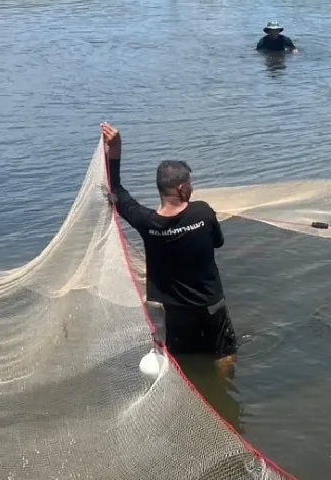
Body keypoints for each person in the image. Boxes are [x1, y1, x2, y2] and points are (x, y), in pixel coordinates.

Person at [100, 123, 237, 374]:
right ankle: (224, 394)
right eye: (189, 182)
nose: (191, 186)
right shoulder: (203, 212)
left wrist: (115, 150)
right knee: (224, 354)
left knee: (184, 360)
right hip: (211, 305)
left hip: (175, 313)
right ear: (182, 188)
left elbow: (115, 190)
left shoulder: (146, 223)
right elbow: (219, 242)